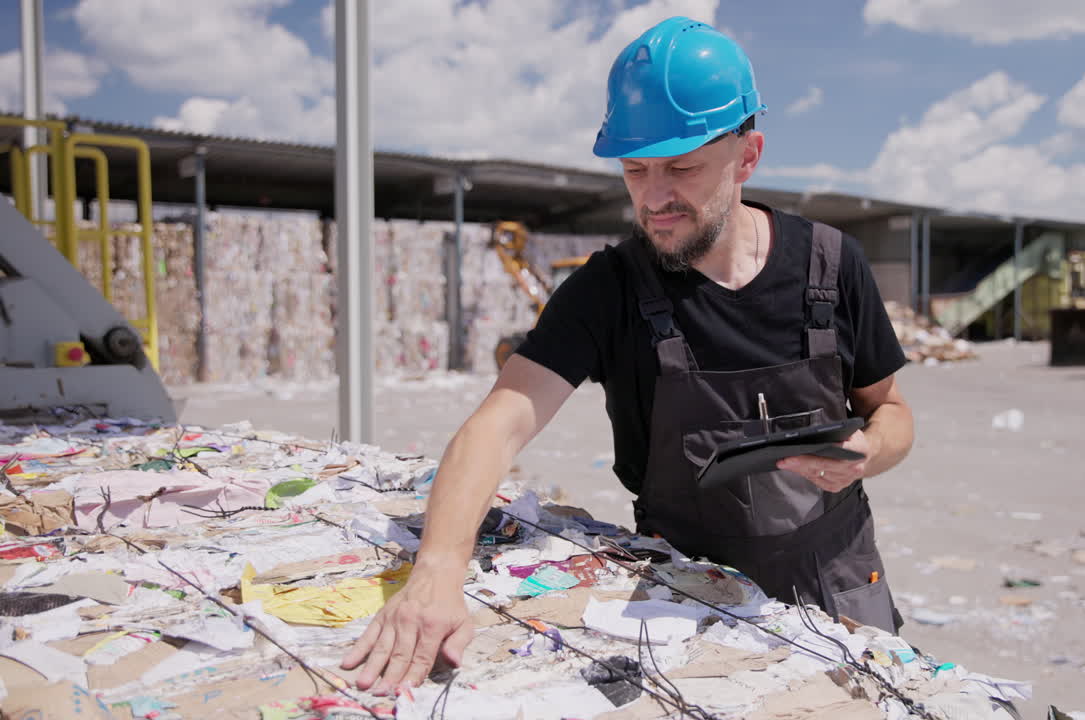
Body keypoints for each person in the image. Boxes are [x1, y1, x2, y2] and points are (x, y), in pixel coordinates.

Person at [342, 15, 915, 694]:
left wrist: (866, 454)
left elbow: (893, 412)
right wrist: (435, 574)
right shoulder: (608, 289)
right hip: (690, 600)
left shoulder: (832, 263)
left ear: (748, 156)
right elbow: (499, 422)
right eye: (635, 170)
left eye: (681, 168)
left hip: (839, 584)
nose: (654, 198)